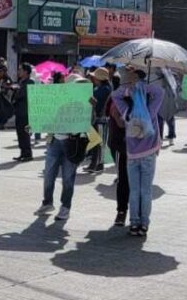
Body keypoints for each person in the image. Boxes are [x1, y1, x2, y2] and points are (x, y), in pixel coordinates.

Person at [111, 66, 164, 237]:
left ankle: (133, 224)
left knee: (134, 190)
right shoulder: (151, 111)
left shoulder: (127, 111)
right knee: (146, 191)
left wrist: (130, 88)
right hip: (148, 152)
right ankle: (144, 224)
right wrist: (143, 85)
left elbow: (115, 95)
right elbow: (160, 92)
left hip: (132, 154)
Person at [36, 74, 89, 221]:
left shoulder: (86, 102)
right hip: (54, 141)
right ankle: (47, 202)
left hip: (71, 143)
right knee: (48, 175)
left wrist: (91, 105)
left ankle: (65, 208)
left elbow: (90, 121)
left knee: (68, 178)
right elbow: (48, 117)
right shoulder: (58, 100)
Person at [106, 91, 129, 227]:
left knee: (139, 185)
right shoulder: (117, 97)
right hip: (124, 147)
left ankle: (139, 218)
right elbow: (118, 123)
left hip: (142, 148)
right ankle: (121, 211)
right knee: (124, 181)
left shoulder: (145, 97)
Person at [86, 67, 113, 172]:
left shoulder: (104, 89)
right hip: (96, 119)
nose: (93, 79)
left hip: (101, 119)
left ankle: (98, 165)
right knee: (95, 142)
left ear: (99, 79)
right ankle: (94, 164)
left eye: (95, 77)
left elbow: (95, 102)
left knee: (99, 142)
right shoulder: (101, 88)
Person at [12, 63, 35, 162]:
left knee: (25, 133)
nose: (18, 72)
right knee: (20, 133)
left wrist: (16, 90)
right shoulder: (21, 82)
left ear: (26, 71)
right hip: (19, 112)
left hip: (26, 113)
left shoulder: (29, 82)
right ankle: (22, 152)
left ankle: (27, 154)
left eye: (20, 70)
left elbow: (21, 95)